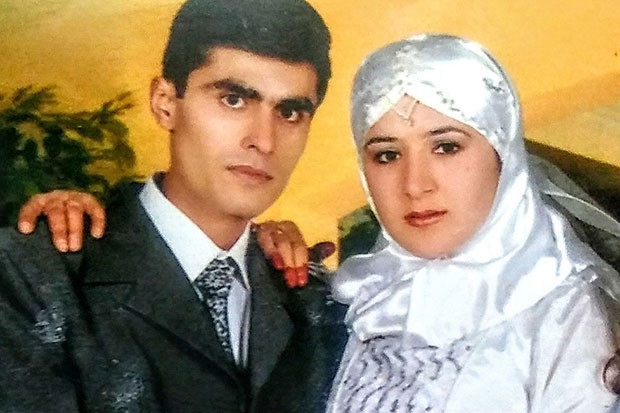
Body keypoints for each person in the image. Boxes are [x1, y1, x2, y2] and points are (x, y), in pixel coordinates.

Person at [15, 34, 620, 411]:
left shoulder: (565, 316)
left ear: (503, 154)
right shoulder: (352, 299)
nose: (416, 184)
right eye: (386, 154)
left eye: (446, 146)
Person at [0, 0, 347, 411]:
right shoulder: (35, 273)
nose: (264, 141)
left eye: (289, 112)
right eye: (233, 100)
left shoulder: (316, 302)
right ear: (165, 102)